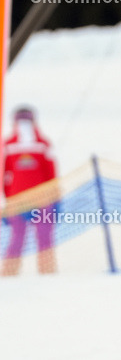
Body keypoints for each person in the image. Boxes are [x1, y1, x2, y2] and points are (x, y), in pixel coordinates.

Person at [2, 106, 58, 276]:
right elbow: (5, 173)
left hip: (38, 199)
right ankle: (10, 273)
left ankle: (46, 272)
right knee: (19, 237)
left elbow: (50, 172)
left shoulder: (42, 144)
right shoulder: (11, 144)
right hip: (23, 199)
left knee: (41, 238)